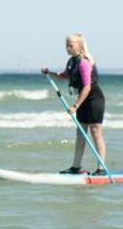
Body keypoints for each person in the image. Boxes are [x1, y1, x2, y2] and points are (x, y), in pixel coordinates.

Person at [41, 32, 107, 175]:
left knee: (95, 132)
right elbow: (64, 76)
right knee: (81, 133)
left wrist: (75, 105)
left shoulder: (84, 62)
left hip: (94, 99)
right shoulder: (72, 61)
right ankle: (76, 167)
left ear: (80, 47)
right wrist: (49, 72)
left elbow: (87, 87)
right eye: (66, 45)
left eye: (71, 45)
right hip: (83, 100)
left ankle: (100, 168)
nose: (68, 48)